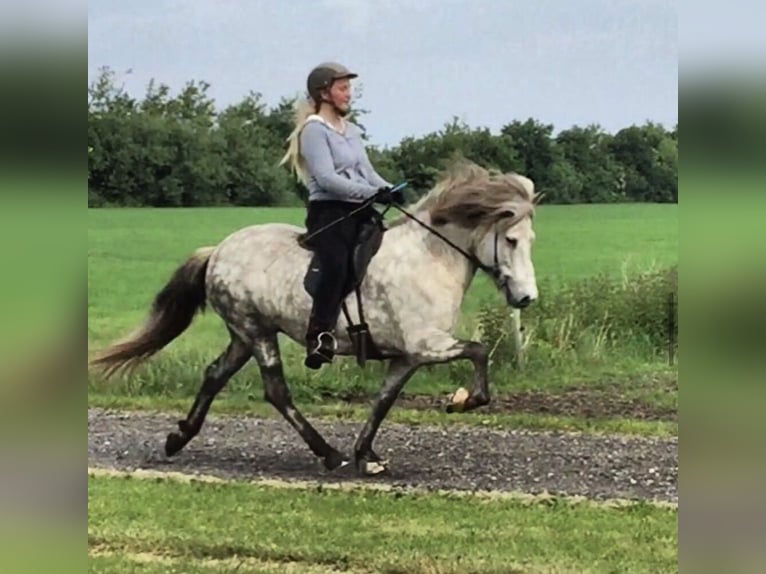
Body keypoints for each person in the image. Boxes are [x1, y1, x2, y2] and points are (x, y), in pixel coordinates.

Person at [280, 62, 403, 369]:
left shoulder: (352, 131)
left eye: (349, 88)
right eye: (343, 88)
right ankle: (319, 334)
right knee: (336, 264)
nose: (349, 94)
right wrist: (370, 193)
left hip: (359, 210)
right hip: (329, 212)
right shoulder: (312, 131)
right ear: (324, 92)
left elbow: (367, 172)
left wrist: (389, 189)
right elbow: (326, 179)